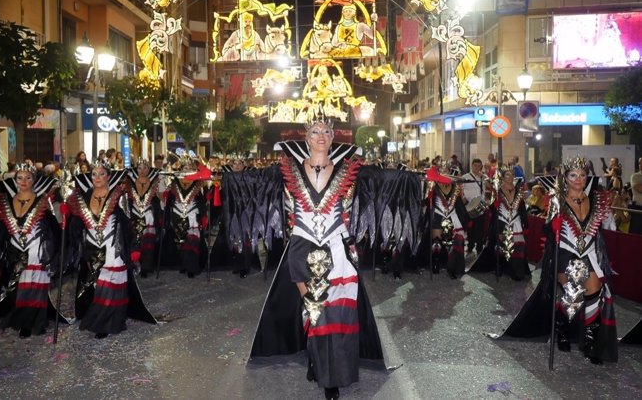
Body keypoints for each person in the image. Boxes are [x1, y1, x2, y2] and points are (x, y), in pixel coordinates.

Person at [224, 117, 421, 399]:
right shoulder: (287, 168)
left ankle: (332, 375)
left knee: (338, 312)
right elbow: (251, 183)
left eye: (326, 132)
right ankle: (317, 357)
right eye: (315, 131)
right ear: (306, 137)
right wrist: (226, 176)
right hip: (302, 245)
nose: (321, 136)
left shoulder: (348, 167)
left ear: (332, 137)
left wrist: (417, 179)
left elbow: (385, 182)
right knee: (314, 310)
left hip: (338, 247)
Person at [494, 156, 617, 365]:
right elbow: (548, 229)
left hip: (589, 254)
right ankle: (561, 326)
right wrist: (554, 224)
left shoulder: (594, 199)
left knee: (595, 295)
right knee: (573, 297)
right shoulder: (557, 199)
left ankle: (590, 344)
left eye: (582, 175)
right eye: (573, 175)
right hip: (565, 254)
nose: (578, 179)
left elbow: (603, 229)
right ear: (566, 178)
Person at [67, 160, 156, 338]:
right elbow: (77, 226)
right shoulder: (83, 196)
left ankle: (109, 321)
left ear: (108, 176)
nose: (97, 178)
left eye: (101, 174)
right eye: (94, 174)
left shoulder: (119, 196)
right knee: (96, 285)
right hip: (91, 248)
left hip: (114, 246)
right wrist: (67, 215)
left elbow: (128, 224)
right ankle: (104, 318)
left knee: (111, 285)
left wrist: (133, 247)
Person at [0, 164, 62, 337]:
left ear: (34, 180)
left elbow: (53, 226)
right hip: (16, 249)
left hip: (36, 247)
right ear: (15, 180)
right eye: (20, 178)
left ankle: (36, 322)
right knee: (20, 287)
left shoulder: (42, 200)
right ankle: (24, 319)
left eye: (28, 178)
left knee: (35, 286)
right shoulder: (7, 201)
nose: (24, 181)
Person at [470, 168, 529, 281]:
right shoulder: (498, 191)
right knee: (501, 247)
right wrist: (494, 204)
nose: (510, 176)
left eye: (512, 174)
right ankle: (500, 268)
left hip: (516, 222)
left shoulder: (519, 191)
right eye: (508, 174)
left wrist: (526, 224)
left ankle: (517, 271)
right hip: (502, 221)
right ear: (503, 177)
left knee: (518, 246)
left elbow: (522, 209)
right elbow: (492, 209)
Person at [164, 156, 211, 278]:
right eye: (185, 167)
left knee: (192, 241)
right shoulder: (175, 182)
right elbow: (169, 198)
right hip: (177, 215)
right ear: (181, 169)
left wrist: (199, 163)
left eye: (190, 167)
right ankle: (183, 265)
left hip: (193, 215)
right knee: (181, 242)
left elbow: (207, 174)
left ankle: (191, 267)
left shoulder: (198, 181)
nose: (187, 169)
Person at [425, 161, 470, 279]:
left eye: (446, 171)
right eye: (442, 171)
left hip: (453, 216)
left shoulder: (455, 186)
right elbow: (427, 201)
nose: (444, 172)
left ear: (449, 172)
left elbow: (460, 203)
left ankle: (452, 268)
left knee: (454, 244)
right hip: (438, 215)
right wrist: (428, 193)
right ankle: (435, 264)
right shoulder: (433, 184)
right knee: (436, 243)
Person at [126, 158, 162, 278]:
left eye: (145, 168)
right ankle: (134, 265)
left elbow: (159, 200)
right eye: (139, 168)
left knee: (147, 244)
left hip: (148, 217)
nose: (142, 171)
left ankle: (146, 268)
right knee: (135, 242)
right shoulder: (130, 182)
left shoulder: (155, 181)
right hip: (134, 216)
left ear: (149, 169)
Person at [462, 158, 488, 255]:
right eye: (475, 166)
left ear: (481, 167)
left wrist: (484, 177)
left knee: (480, 228)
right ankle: (470, 246)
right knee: (471, 228)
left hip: (480, 205)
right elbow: (461, 190)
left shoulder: (483, 177)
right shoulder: (465, 177)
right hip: (469, 206)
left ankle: (479, 247)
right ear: (472, 166)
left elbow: (489, 186)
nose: (477, 168)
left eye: (479, 166)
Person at [629, 157, 642, 235]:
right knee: (636, 234)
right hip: (638, 209)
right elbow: (640, 189)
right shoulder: (635, 176)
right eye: (640, 163)